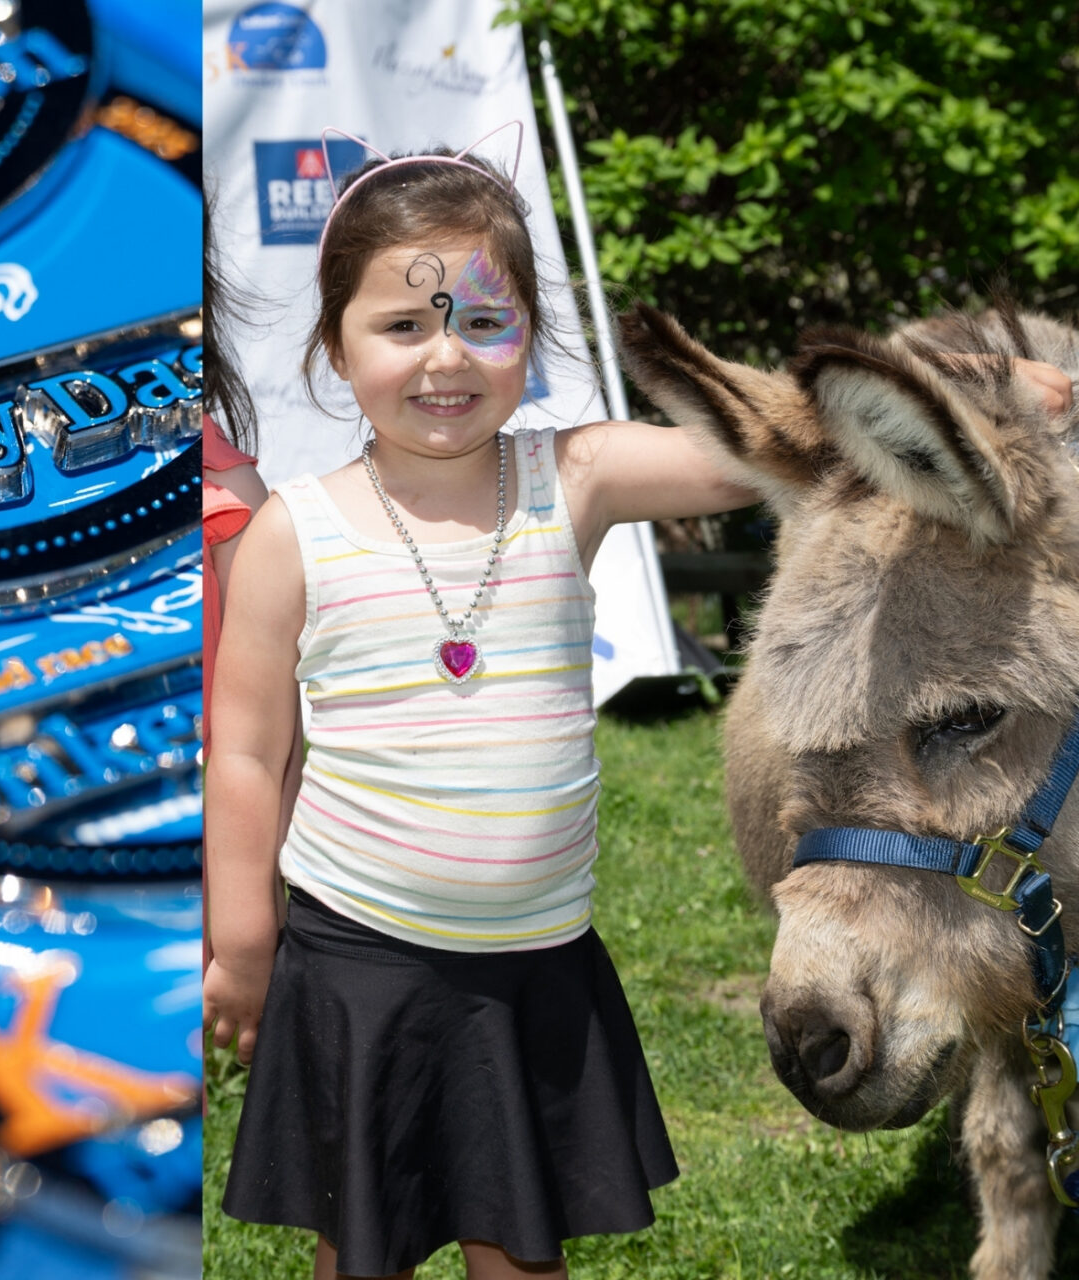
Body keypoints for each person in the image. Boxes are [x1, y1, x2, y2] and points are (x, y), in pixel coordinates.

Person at [206, 145, 757, 1279]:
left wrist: (930, 373)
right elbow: (251, 754)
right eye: (403, 325)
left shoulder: (581, 476)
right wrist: (243, 936)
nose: (445, 356)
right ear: (334, 346)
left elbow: (747, 458)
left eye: (483, 321)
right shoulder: (291, 532)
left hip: (535, 963)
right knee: (362, 1242)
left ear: (530, 337)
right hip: (356, 957)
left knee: (523, 1250)